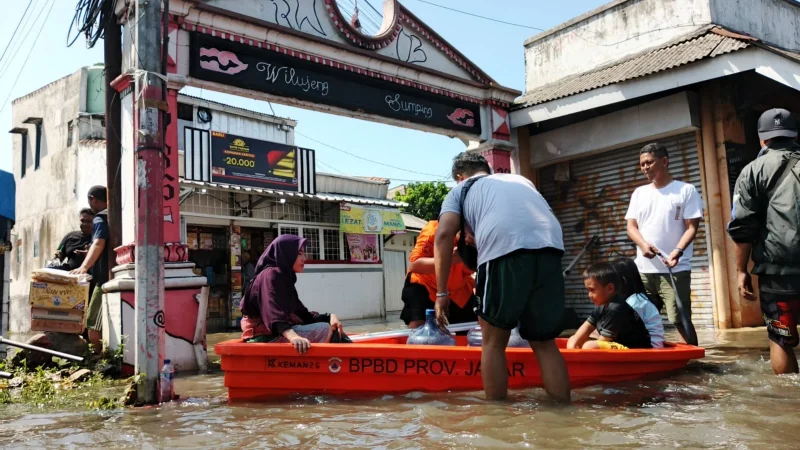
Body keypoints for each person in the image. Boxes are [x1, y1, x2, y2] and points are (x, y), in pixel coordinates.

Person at [434, 152, 570, 402]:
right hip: (551, 248)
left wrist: (442, 293)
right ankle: (564, 412)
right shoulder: (520, 181)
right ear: (486, 169)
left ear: (460, 177)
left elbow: (443, 236)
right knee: (544, 343)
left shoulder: (461, 190)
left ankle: (497, 420)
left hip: (504, 251)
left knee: (493, 343)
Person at [728, 108, 800, 375]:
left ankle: (787, 407)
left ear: (762, 139)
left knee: (780, 339)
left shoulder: (751, 172)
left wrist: (740, 271)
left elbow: (742, 227)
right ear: (794, 135)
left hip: (777, 274)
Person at [625, 142, 702, 345]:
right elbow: (631, 227)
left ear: (664, 161)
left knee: (679, 318)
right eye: (641, 164)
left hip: (675, 269)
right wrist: (642, 245)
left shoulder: (685, 190)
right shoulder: (639, 193)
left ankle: (696, 359)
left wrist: (677, 251)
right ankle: (650, 358)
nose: (644, 168)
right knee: (641, 318)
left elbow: (692, 227)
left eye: (649, 162)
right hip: (644, 270)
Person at [239, 234, 346, 354]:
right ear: (286, 254)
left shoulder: (285, 278)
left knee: (330, 326)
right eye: (299, 254)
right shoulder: (270, 275)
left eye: (303, 254)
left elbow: (301, 314)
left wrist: (329, 317)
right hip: (264, 336)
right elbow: (272, 313)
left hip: (275, 332)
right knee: (324, 330)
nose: (304, 258)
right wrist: (293, 337)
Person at [402, 220, 477, 328]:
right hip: (425, 284)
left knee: (472, 328)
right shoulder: (435, 230)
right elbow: (414, 265)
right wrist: (449, 258)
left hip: (459, 289)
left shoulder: (486, 241)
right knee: (418, 328)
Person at [567, 263, 652, 350]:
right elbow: (586, 328)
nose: (589, 295)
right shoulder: (601, 306)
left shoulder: (615, 308)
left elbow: (603, 341)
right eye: (587, 290)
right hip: (618, 346)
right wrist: (574, 343)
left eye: (592, 290)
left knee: (590, 346)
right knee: (573, 339)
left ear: (610, 288)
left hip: (634, 350)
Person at [70, 186, 109, 352]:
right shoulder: (118, 215)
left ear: (92, 198)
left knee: (92, 321)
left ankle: (98, 357)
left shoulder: (100, 218)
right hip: (117, 274)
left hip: (103, 279)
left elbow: (99, 242)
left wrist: (83, 267)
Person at [611, 258, 665, 349]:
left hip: (650, 346)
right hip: (647, 342)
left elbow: (618, 328)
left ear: (623, 281)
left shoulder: (634, 302)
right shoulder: (636, 298)